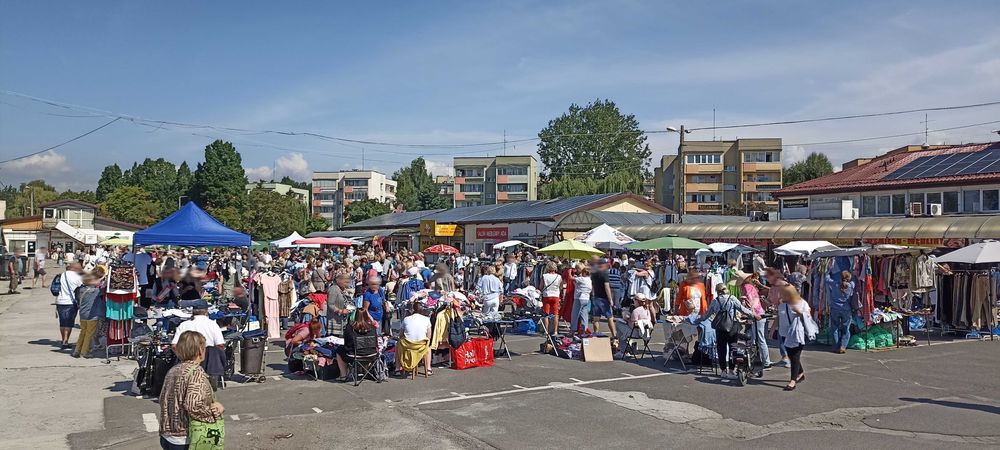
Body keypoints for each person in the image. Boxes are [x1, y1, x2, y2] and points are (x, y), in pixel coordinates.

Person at [158, 330, 225, 450]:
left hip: (167, 435)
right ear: (200, 350)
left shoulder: (173, 370)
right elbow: (193, 405)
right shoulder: (195, 372)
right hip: (185, 437)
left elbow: (163, 398)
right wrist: (214, 411)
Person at [698, 283, 759, 380]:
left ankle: (723, 370)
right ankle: (731, 370)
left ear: (717, 291)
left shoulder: (715, 301)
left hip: (720, 327)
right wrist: (753, 315)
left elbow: (707, 314)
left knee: (721, 349)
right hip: (732, 326)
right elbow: (742, 309)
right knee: (733, 348)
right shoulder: (732, 298)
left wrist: (698, 320)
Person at [172, 300, 226, 390]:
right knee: (216, 350)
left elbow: (174, 346)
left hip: (188, 359)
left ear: (193, 312)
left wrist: (182, 356)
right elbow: (220, 345)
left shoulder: (184, 325)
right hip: (210, 362)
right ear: (206, 311)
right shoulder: (212, 324)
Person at [778, 285, 812, 391]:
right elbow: (778, 316)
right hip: (784, 333)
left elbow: (808, 316)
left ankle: (792, 381)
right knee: (791, 356)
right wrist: (774, 328)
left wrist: (799, 313)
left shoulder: (802, 303)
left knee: (795, 356)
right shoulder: (782, 305)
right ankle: (800, 373)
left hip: (798, 334)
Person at [756, 268, 790, 367]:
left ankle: (787, 358)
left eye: (767, 277)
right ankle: (786, 357)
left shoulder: (783, 286)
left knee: (784, 334)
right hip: (783, 313)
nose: (766, 279)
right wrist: (763, 300)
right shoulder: (774, 288)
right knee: (783, 335)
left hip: (787, 313)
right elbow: (770, 302)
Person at [335, 310, 379, 382]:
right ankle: (366, 372)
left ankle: (343, 375)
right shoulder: (372, 328)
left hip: (354, 355)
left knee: (339, 350)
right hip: (371, 355)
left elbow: (347, 344)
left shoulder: (350, 328)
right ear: (366, 316)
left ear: (355, 316)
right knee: (365, 350)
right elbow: (376, 343)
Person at [740, 272, 772, 368]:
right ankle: (757, 360)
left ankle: (766, 362)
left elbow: (750, 301)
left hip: (756, 314)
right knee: (755, 338)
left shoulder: (746, 287)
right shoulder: (752, 287)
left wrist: (747, 311)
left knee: (759, 339)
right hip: (759, 313)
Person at [395, 302, 432, 376]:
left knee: (397, 345)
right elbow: (429, 336)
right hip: (420, 346)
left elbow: (401, 335)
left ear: (412, 310)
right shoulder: (426, 319)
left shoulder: (406, 319)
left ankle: (397, 368)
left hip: (408, 345)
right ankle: (428, 369)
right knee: (428, 348)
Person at [72, 273, 104, 358]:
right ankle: (85, 351)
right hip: (92, 315)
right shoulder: (94, 291)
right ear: (90, 282)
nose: (98, 281)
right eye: (95, 280)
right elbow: (103, 289)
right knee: (89, 334)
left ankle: (77, 350)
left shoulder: (81, 289)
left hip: (82, 315)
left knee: (83, 332)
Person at [55, 262, 84, 349]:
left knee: (62, 322)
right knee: (69, 323)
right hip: (70, 301)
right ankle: (65, 341)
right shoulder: (76, 276)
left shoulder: (61, 275)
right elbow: (82, 286)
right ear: (75, 268)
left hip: (59, 300)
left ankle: (63, 338)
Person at [826, 270, 856, 354]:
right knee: (846, 328)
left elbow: (827, 279)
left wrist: (828, 271)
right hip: (846, 309)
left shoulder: (835, 283)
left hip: (834, 308)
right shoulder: (851, 285)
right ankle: (843, 346)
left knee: (834, 327)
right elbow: (854, 280)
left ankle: (835, 346)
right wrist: (853, 273)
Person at [589, 258, 617, 343]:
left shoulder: (594, 274)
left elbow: (592, 286)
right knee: (609, 317)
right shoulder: (604, 274)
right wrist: (610, 299)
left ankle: (596, 334)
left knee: (596, 318)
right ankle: (614, 335)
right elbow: (607, 287)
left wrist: (593, 295)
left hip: (596, 297)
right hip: (604, 298)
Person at [537, 262, 563, 336]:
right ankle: (555, 331)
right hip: (555, 296)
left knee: (546, 314)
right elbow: (560, 287)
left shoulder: (544, 276)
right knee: (555, 314)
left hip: (547, 295)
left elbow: (541, 286)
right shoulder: (559, 276)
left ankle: (546, 331)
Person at [571, 264, 592, 335]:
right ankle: (584, 330)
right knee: (584, 315)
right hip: (586, 298)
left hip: (579, 298)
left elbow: (571, 278)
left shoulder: (582, 279)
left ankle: (573, 330)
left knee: (575, 314)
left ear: (585, 273)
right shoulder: (589, 280)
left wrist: (569, 271)